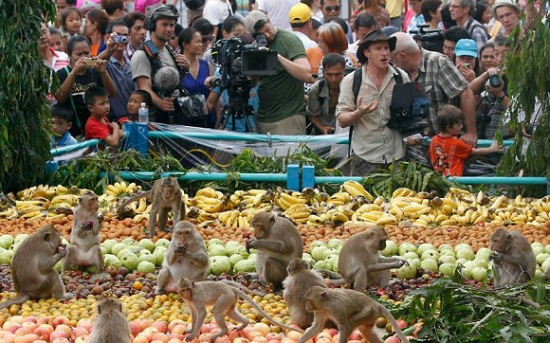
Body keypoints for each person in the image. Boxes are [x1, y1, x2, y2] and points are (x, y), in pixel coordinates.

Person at [336, 30, 410, 176]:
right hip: (365, 158)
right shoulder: (352, 80)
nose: (384, 53)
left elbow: (410, 115)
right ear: (366, 53)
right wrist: (359, 113)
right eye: (378, 48)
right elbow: (342, 120)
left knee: (400, 199)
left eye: (386, 48)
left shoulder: (401, 77)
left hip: (397, 157)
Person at [390, 32, 477, 147]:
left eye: (393, 59)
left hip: (447, 145)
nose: (394, 65)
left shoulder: (437, 62)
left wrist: (471, 132)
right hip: (418, 148)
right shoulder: (400, 74)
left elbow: (466, 94)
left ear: (403, 56)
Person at [244, 10, 313, 135]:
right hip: (263, 117)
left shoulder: (289, 40)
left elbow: (306, 74)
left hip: (288, 117)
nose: (268, 35)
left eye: (267, 29)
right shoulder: (257, 46)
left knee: (286, 155)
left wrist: (276, 57)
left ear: (269, 20)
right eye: (262, 34)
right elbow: (253, 83)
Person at [131, 6, 190, 124]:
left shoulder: (169, 51)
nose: (169, 29)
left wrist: (185, 69)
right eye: (164, 25)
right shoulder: (142, 54)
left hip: (173, 117)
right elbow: (144, 88)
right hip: (155, 121)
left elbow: (173, 83)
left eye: (172, 25)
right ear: (152, 26)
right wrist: (161, 103)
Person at [55, 34, 117, 137]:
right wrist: (73, 73)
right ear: (70, 54)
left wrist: (103, 72)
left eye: (87, 53)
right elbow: (60, 98)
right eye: (79, 54)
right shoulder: (62, 73)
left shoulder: (94, 70)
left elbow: (112, 93)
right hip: (73, 131)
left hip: (96, 128)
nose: (83, 57)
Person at [429, 104, 499, 176]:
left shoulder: (433, 140)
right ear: (448, 127)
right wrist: (491, 149)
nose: (462, 126)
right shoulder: (456, 143)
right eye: (458, 125)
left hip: (439, 177)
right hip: (454, 179)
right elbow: (475, 151)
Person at [99, 19, 135, 122]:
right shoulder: (106, 61)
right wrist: (109, 51)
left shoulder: (132, 63)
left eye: (125, 35)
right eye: (118, 35)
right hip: (112, 122)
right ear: (107, 37)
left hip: (131, 121)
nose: (122, 38)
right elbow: (96, 63)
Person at [179, 27, 216, 127]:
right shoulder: (177, 66)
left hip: (207, 120)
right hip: (185, 123)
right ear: (185, 45)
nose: (201, 45)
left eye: (201, 41)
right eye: (197, 42)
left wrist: (218, 118)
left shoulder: (207, 65)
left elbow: (215, 92)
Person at [307, 53, 345, 134]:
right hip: (320, 136)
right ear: (324, 73)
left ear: (344, 72)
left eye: (338, 74)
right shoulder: (316, 89)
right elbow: (312, 115)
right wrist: (322, 128)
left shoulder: (352, 88)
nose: (333, 79)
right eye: (329, 74)